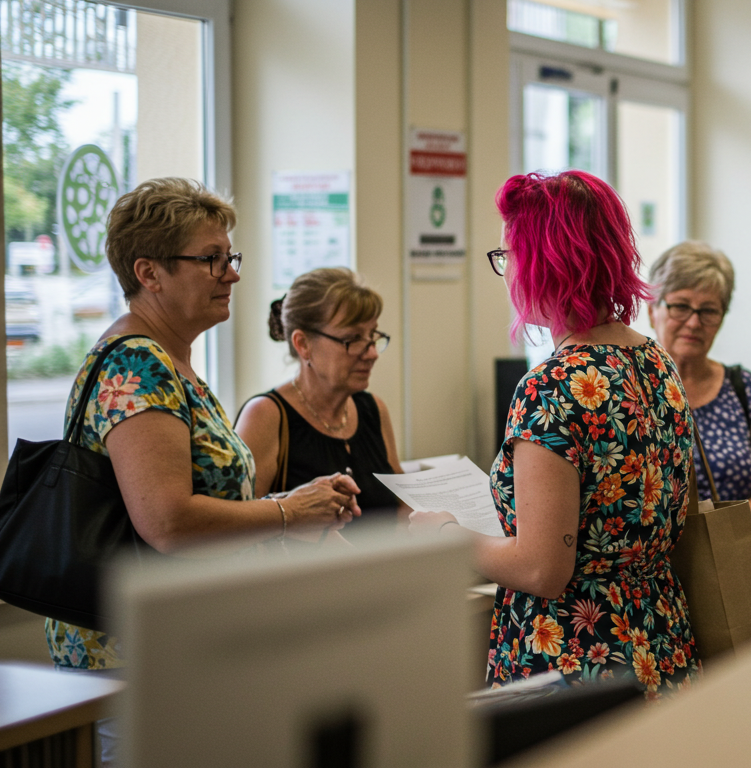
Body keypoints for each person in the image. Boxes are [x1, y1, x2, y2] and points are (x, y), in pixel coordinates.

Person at [48, 178, 360, 761]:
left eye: (230, 257)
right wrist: (288, 512)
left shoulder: (174, 361)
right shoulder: (138, 363)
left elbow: (195, 497)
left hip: (183, 640)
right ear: (149, 273)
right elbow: (167, 522)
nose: (232, 274)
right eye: (211, 259)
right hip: (137, 654)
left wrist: (298, 504)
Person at [410, 170, 698, 698]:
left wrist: (443, 534)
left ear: (545, 261)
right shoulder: (656, 360)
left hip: (576, 659)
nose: (506, 273)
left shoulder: (554, 385)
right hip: (659, 636)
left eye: (508, 254)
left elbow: (542, 568)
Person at [646, 241, 751, 624]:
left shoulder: (740, 387)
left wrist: (718, 529)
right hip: (651, 586)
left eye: (709, 311)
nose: (694, 322)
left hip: (735, 573)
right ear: (653, 308)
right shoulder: (626, 389)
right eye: (681, 305)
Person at [236, 268, 407, 541]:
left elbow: (402, 507)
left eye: (373, 335)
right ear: (303, 344)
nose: (372, 352)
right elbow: (241, 529)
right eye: (352, 339)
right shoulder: (266, 415)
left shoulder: (374, 409)